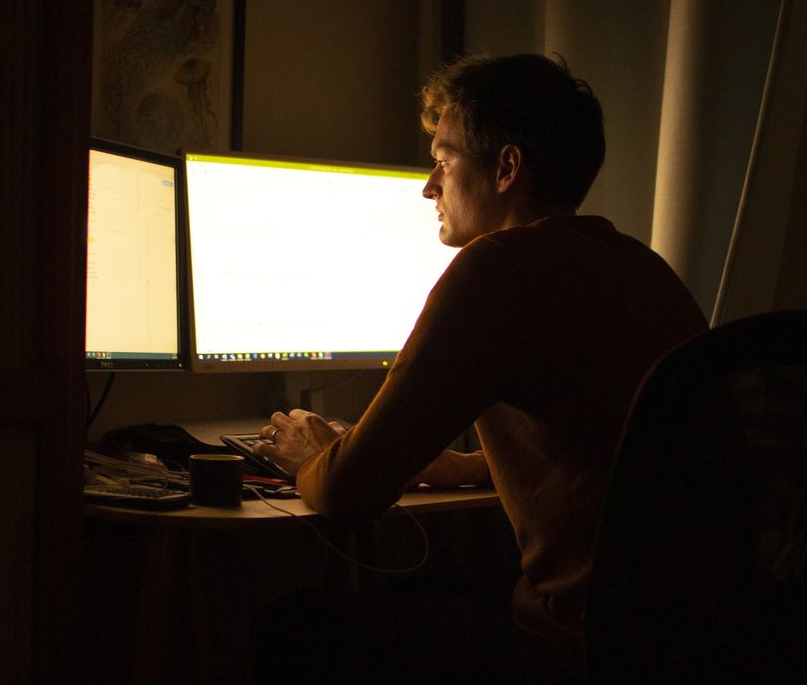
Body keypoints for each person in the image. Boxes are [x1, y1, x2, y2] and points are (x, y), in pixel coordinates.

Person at [250, 53, 708, 683]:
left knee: (290, 628)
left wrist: (310, 452)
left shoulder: (499, 269)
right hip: (682, 646)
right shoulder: (641, 268)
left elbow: (348, 493)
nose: (428, 186)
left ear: (506, 168)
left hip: (569, 649)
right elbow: (614, 452)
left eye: (443, 160)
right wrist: (467, 466)